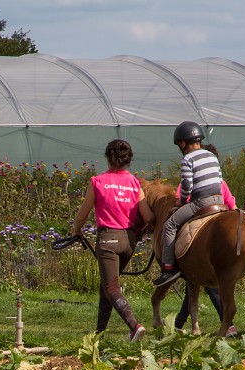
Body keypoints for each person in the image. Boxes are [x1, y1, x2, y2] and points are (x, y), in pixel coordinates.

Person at [69, 138, 152, 340]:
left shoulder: (98, 182)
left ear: (108, 158)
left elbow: (82, 214)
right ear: (127, 161)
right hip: (128, 242)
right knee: (106, 286)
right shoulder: (134, 183)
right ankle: (99, 334)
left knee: (112, 287)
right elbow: (148, 216)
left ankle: (134, 326)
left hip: (108, 240)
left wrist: (76, 231)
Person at [154, 121, 226, 288]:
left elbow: (187, 185)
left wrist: (182, 201)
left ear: (182, 142)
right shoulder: (212, 156)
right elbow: (220, 180)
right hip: (220, 201)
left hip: (201, 202)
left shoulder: (187, 159)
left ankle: (169, 269)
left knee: (170, 225)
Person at [175, 144, 235, 332]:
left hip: (199, 224)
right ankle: (181, 321)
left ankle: (169, 266)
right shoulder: (221, 183)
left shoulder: (190, 169)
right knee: (196, 284)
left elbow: (180, 198)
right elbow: (231, 205)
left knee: (204, 281)